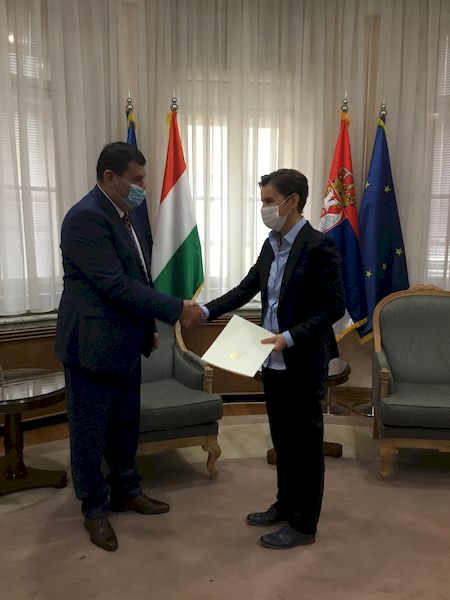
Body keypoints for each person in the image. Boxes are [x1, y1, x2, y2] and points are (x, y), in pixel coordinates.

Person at [55, 142, 205, 552]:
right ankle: (94, 508)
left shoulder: (128, 215)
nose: (143, 187)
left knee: (125, 425)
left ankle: (127, 491)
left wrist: (148, 329)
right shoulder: (85, 218)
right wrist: (177, 309)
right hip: (91, 345)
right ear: (110, 177)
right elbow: (115, 285)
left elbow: (139, 277)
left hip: (125, 341)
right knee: (89, 433)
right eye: (136, 180)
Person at [202, 169, 345, 549]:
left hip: (303, 360)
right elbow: (245, 288)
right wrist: (205, 311)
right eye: (263, 201)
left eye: (269, 201)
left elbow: (334, 307)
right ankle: (285, 504)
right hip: (270, 361)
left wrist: (290, 337)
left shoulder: (319, 246)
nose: (263, 208)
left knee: (306, 445)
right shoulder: (271, 245)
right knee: (283, 438)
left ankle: (304, 524)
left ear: (292, 201)